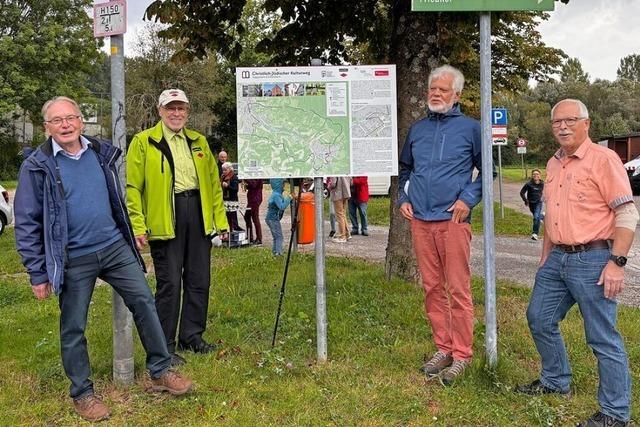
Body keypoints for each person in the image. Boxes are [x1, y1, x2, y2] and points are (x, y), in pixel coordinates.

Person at [14, 96, 193, 422]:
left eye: (71, 118)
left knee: (144, 301)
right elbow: (27, 221)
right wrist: (37, 272)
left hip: (114, 247)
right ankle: (82, 393)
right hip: (74, 257)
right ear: (47, 128)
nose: (65, 125)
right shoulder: (36, 166)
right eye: (57, 120)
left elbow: (117, 200)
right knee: (73, 326)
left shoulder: (100, 153)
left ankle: (161, 370)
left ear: (82, 121)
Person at [515, 99, 638, 427]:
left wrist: (617, 262)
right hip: (557, 258)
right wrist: (545, 255)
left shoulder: (604, 159)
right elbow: (552, 212)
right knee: (539, 318)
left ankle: (615, 413)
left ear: (587, 124)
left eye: (570, 120)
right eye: (557, 122)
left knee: (601, 335)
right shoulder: (554, 163)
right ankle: (555, 381)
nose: (563, 127)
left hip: (595, 258)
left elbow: (626, 213)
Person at [398, 65, 492, 386]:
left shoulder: (471, 129)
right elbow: (405, 169)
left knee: (458, 289)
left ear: (457, 94)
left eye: (442, 89)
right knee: (432, 288)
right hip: (420, 221)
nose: (436, 94)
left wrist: (468, 198)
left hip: (453, 221)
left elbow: (487, 172)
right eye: (432, 89)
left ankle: (462, 354)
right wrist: (402, 198)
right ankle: (443, 347)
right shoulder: (418, 129)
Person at [126, 89, 229, 365]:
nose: (176, 113)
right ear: (159, 111)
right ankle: (165, 346)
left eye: (180, 108)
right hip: (164, 219)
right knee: (169, 283)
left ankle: (192, 336)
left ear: (187, 111)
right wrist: (138, 224)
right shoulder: (144, 142)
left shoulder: (198, 142)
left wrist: (220, 222)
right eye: (170, 108)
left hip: (196, 212)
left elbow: (213, 187)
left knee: (199, 280)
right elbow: (133, 187)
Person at [266, 178, 292, 256]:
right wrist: (289, 197)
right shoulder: (276, 195)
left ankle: (275, 252)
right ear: (278, 185)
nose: (284, 185)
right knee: (279, 237)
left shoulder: (276, 194)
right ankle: (278, 253)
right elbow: (282, 206)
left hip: (271, 218)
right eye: (282, 184)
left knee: (276, 237)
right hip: (272, 219)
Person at [520, 169, 544, 240]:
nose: (535, 175)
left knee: (536, 217)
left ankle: (535, 233)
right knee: (537, 218)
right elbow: (522, 192)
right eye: (534, 174)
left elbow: (547, 192)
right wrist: (525, 200)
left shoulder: (543, 184)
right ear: (532, 176)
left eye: (537, 174)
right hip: (531, 204)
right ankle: (542, 216)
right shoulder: (528, 184)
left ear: (540, 176)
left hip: (538, 203)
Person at [329, 176, 351, 243]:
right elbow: (351, 182)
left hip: (337, 194)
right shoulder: (346, 170)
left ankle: (342, 236)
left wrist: (328, 186)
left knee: (339, 215)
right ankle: (347, 234)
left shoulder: (334, 171)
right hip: (346, 193)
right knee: (343, 214)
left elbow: (333, 183)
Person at [221, 161, 241, 231]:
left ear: (230, 169)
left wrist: (227, 186)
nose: (224, 172)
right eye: (223, 170)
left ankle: (234, 232)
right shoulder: (223, 177)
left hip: (232, 200)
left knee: (233, 218)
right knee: (227, 218)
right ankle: (228, 233)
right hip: (225, 199)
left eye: (225, 170)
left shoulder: (234, 177)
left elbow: (235, 189)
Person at [244, 179, 264, 244]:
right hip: (251, 198)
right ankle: (250, 237)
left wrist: (246, 179)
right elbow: (251, 186)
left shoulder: (257, 175)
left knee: (255, 218)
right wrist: (246, 185)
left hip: (255, 198)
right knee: (247, 217)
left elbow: (254, 184)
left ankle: (259, 238)